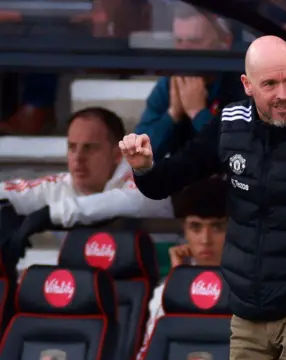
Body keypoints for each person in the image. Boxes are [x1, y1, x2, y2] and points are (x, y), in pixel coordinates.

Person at [121, 35, 286, 360]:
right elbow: (165, 182)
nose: (283, 94)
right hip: (247, 314)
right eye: (270, 84)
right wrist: (145, 167)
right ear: (247, 85)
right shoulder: (229, 125)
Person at [2, 107, 173, 266]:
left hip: (157, 288)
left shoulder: (146, 178)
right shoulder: (59, 186)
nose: (78, 158)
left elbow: (134, 201)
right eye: (72, 147)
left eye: (89, 148)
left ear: (116, 155)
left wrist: (49, 214)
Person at [134, 2, 246, 160]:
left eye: (195, 41)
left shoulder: (242, 85)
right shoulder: (169, 85)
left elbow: (239, 151)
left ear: (225, 42)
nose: (185, 51)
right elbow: (139, 153)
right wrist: (172, 115)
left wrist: (198, 113)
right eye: (179, 41)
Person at [136, 176, 227, 360]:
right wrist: (178, 282)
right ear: (184, 231)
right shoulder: (165, 292)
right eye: (195, 227)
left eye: (217, 227)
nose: (205, 240)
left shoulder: (250, 288)